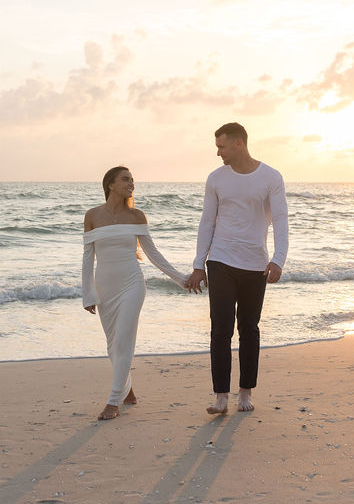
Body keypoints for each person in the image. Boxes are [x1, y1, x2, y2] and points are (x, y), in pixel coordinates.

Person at [184, 122, 289, 414]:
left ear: (238, 144)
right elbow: (207, 222)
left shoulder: (271, 177)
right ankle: (221, 397)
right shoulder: (216, 179)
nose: (218, 153)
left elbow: (280, 220)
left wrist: (278, 259)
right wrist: (198, 265)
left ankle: (245, 392)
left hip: (255, 262)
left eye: (221, 146)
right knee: (220, 328)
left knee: (249, 328)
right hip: (220, 259)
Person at [82, 166, 189, 421]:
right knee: (112, 345)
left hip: (132, 284)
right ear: (111, 185)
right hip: (105, 286)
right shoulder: (92, 216)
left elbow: (153, 254)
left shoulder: (137, 216)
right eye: (126, 179)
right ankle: (127, 388)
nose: (132, 183)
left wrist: (182, 279)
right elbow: (88, 258)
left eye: (132, 179)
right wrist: (88, 293)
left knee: (124, 342)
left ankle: (113, 400)